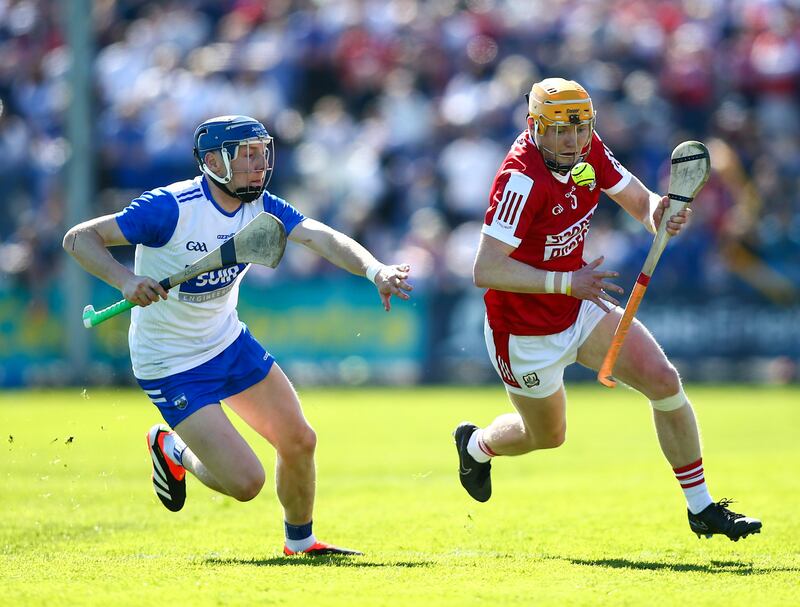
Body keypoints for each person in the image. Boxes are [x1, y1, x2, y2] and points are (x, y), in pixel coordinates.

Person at [64, 115, 413, 556]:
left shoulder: (261, 207)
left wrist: (374, 269)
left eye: (261, 152)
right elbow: (78, 239)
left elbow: (319, 236)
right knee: (247, 484)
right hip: (171, 363)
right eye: (246, 154)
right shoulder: (170, 208)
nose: (259, 163)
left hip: (228, 343)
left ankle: (300, 543)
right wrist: (124, 279)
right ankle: (174, 450)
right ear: (212, 161)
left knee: (300, 440)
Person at [453, 78, 761, 542]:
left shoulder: (587, 147)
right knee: (546, 437)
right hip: (523, 334)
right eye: (558, 130)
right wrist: (566, 282)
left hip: (579, 306)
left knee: (664, 381)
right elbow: (485, 268)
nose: (571, 140)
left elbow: (636, 198)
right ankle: (476, 445)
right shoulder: (520, 178)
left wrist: (658, 211)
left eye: (578, 129)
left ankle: (701, 508)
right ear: (535, 126)